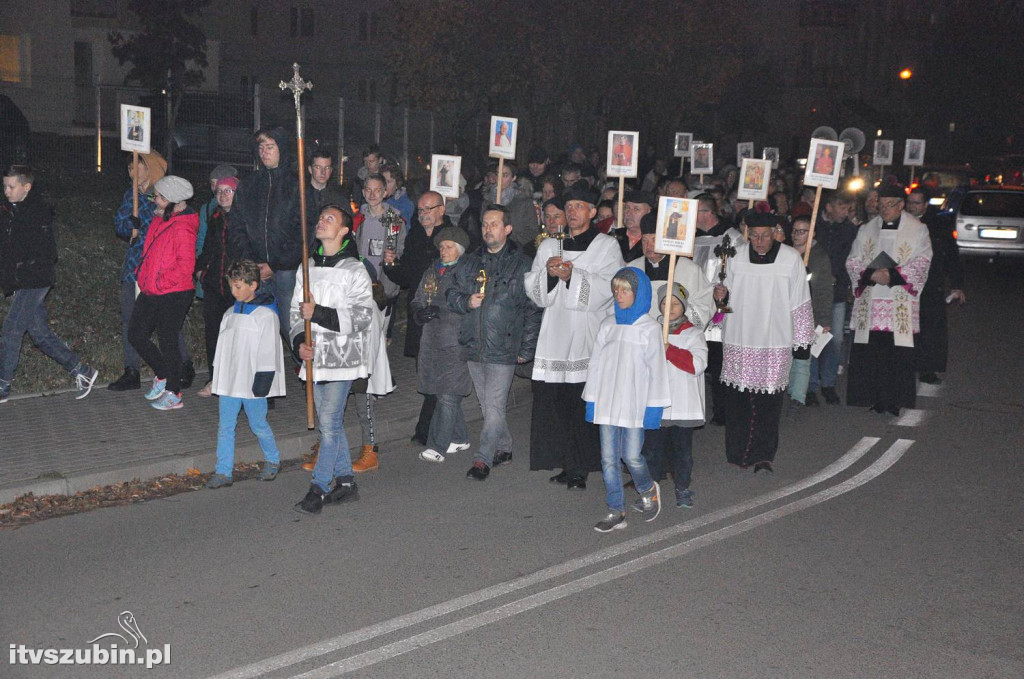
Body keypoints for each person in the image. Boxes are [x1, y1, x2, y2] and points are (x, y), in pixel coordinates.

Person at [526, 185, 624, 490]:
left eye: (580, 206)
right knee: (559, 405)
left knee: (582, 403)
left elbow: (611, 287)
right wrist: (549, 275)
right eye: (569, 207)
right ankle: (566, 462)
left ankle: (582, 466)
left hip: (586, 334)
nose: (572, 212)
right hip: (555, 333)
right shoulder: (548, 246)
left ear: (592, 212)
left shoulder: (606, 246)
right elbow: (533, 289)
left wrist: (573, 277)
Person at [291, 205, 377, 514]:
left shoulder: (355, 270)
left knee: (328, 423)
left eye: (329, 218)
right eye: (320, 217)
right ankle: (346, 483)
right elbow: (294, 313)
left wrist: (320, 314)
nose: (321, 222)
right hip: (315, 358)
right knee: (332, 424)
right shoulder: (306, 267)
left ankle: (318, 486)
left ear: (343, 231)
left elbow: (364, 315)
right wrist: (300, 342)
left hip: (343, 357)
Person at [713, 212, 814, 471]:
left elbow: (800, 301)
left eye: (764, 235)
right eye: (754, 235)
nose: (758, 241)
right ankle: (736, 452)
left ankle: (763, 455)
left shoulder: (791, 258)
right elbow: (723, 302)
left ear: (775, 232)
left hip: (774, 339)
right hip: (740, 337)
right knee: (738, 400)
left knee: (769, 404)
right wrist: (720, 298)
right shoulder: (735, 257)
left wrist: (802, 343)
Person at [447, 205, 542, 479]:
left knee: (495, 405)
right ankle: (504, 446)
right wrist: (465, 301)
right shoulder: (470, 261)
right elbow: (451, 292)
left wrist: (526, 347)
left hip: (505, 345)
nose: (488, 229)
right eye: (485, 224)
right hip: (475, 343)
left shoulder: (522, 263)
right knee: (487, 404)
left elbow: (532, 308)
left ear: (508, 229)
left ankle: (483, 458)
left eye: (494, 224)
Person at [0, 165, 99, 403]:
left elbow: (42, 250)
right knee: (40, 335)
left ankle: (3, 384)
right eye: (4, 186)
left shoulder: (36, 212)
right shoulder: (9, 210)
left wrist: (22, 267)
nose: (6, 190)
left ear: (27, 187)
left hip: (35, 279)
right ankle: (82, 371)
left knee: (11, 330)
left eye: (11, 186)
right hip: (21, 280)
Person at [582, 267, 670, 532]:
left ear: (638, 293)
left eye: (625, 289)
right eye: (616, 289)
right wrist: (592, 400)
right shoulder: (608, 325)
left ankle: (647, 488)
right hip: (607, 402)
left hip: (633, 404)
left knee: (631, 456)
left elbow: (657, 371)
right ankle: (616, 509)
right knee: (608, 459)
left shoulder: (649, 328)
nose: (619, 295)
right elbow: (595, 365)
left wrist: (654, 407)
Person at [382, 191, 462, 445]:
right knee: (427, 374)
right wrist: (391, 266)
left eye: (429, 209)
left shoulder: (452, 236)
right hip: (420, 315)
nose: (424, 214)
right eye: (420, 210)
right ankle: (453, 429)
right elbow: (407, 278)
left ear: (442, 209)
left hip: (445, 318)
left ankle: (426, 429)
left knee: (438, 376)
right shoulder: (415, 235)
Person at [109, 151, 193, 392]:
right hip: (136, 264)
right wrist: (130, 226)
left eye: (137, 166)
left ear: (151, 168)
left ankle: (183, 364)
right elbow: (121, 225)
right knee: (131, 320)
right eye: (129, 168)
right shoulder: (131, 195)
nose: (132, 172)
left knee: (165, 323)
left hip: (160, 270)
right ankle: (131, 370)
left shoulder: (166, 197)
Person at [846, 184, 932, 415]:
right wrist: (871, 274)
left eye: (890, 204)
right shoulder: (867, 229)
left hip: (899, 300)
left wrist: (892, 275)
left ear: (902, 204)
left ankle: (894, 400)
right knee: (873, 353)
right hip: (872, 300)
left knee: (897, 354)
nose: (884, 209)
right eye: (881, 204)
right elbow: (852, 260)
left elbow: (923, 261)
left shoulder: (918, 229)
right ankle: (873, 398)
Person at [205, 260, 285, 488]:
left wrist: (264, 380)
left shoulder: (265, 315)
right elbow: (223, 350)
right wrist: (217, 379)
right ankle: (223, 471)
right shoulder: (230, 313)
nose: (233, 291)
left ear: (253, 285)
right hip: (230, 383)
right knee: (225, 425)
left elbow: (269, 349)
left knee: (258, 424)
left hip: (252, 383)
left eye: (238, 286)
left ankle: (272, 459)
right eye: (231, 286)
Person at [230, 127, 313, 349]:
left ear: (282, 149)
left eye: (270, 147)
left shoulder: (298, 186)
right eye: (261, 147)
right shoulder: (248, 185)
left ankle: (310, 373)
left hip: (285, 271)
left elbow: (305, 231)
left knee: (292, 327)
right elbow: (237, 226)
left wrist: (275, 264)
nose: (264, 152)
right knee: (256, 331)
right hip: (255, 271)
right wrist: (252, 264)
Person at [129, 175, 199, 411]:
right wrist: (143, 274)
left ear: (171, 200)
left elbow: (185, 266)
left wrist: (160, 282)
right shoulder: (160, 219)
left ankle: (174, 392)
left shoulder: (182, 226)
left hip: (174, 293)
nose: (153, 199)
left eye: (158, 196)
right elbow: (149, 252)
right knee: (136, 334)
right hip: (152, 288)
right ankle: (162, 374)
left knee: (168, 341)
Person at [411, 226, 472, 464]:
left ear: (460, 249)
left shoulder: (467, 272)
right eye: (441, 246)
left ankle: (438, 445)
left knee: (447, 394)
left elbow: (470, 303)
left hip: (455, 341)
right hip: (431, 341)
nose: (443, 250)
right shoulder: (432, 271)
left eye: (448, 246)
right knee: (442, 391)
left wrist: (446, 309)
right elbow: (417, 299)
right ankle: (460, 437)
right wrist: (419, 312)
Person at [643, 283, 707, 508]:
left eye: (675, 303)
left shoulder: (694, 333)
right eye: (664, 303)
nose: (669, 307)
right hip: (656, 403)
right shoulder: (651, 330)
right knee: (651, 452)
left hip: (682, 404)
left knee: (682, 453)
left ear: (684, 306)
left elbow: (697, 364)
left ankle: (683, 488)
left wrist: (669, 349)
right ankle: (650, 492)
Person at [692, 193, 745, 425]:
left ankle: (724, 410)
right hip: (693, 308)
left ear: (707, 213)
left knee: (720, 364)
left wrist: (727, 294)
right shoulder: (690, 239)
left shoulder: (732, 238)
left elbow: (742, 275)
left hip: (721, 311)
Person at [906, 187, 965, 384]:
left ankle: (927, 369)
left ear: (924, 205)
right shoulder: (902, 222)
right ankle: (905, 365)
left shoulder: (938, 224)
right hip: (905, 283)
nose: (912, 207)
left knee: (931, 329)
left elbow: (951, 255)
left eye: (917, 203)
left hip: (931, 283)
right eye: (910, 202)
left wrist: (957, 284)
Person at [808, 190, 858, 405]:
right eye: (842, 208)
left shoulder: (849, 230)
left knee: (834, 340)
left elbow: (852, 258)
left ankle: (828, 384)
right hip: (813, 292)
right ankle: (809, 386)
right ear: (829, 207)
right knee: (812, 339)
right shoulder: (813, 226)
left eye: (848, 209)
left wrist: (845, 281)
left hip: (836, 293)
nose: (845, 213)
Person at [628, 212, 714, 332]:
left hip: (678, 337)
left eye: (654, 239)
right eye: (644, 240)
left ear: (665, 240)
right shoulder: (632, 269)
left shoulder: (689, 269)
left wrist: (677, 316)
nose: (648, 246)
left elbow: (705, 305)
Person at [195, 176, 241, 397]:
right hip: (214, 284)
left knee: (237, 336)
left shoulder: (244, 218)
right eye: (220, 191)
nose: (223, 195)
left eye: (228, 191)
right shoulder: (214, 217)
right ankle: (216, 378)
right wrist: (200, 270)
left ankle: (238, 381)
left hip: (237, 287)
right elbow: (207, 248)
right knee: (213, 334)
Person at [786, 215, 835, 408]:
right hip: (786, 311)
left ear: (812, 233)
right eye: (795, 230)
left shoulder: (819, 257)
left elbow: (823, 290)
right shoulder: (787, 253)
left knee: (807, 354)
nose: (797, 235)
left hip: (809, 311)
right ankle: (791, 386)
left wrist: (823, 319)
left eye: (802, 231)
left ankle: (806, 391)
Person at [195, 164, 238, 302]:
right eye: (213, 185)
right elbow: (204, 241)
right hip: (213, 275)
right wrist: (201, 269)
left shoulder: (243, 214)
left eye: (219, 183)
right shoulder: (209, 210)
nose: (216, 189)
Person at [483, 160, 537, 248]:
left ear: (513, 178)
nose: (500, 179)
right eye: (497, 174)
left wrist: (512, 242)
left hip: (516, 250)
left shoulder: (524, 202)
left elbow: (532, 231)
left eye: (505, 175)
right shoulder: (487, 201)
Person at [308, 147, 348, 213]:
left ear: (331, 170)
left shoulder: (339, 200)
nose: (323, 172)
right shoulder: (299, 197)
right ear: (310, 169)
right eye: (318, 167)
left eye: (327, 168)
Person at [615, 190, 652, 262]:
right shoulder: (614, 235)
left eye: (636, 209)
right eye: (627, 208)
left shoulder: (655, 242)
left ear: (649, 212)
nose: (629, 213)